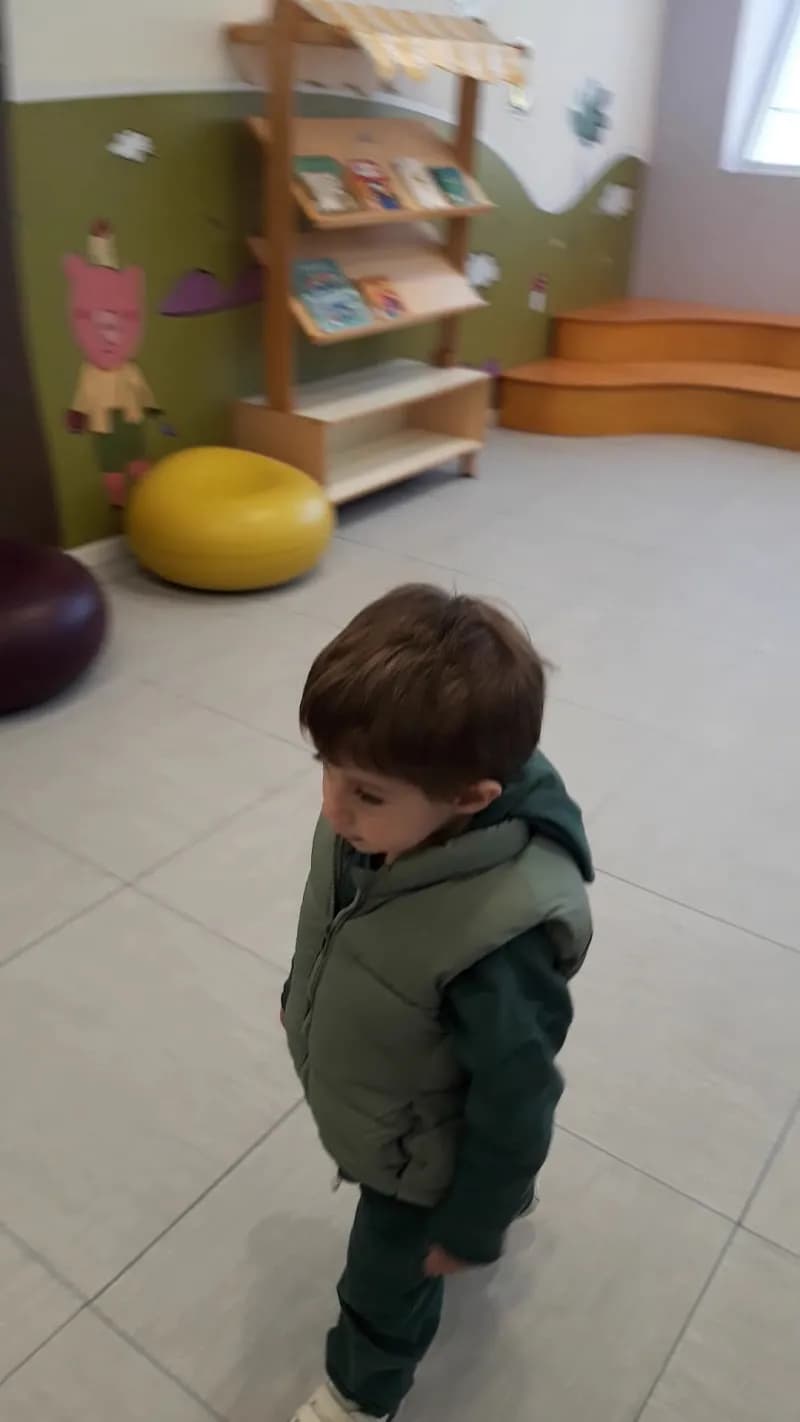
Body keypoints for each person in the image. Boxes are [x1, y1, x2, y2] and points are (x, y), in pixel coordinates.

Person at [282, 584, 594, 1422]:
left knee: (384, 1285)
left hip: (420, 1162)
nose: (333, 808)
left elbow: (518, 1093)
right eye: (326, 772)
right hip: (388, 1094)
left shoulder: (500, 938)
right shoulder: (375, 827)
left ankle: (359, 1394)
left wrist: (474, 1220)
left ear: (472, 799)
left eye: (365, 793)